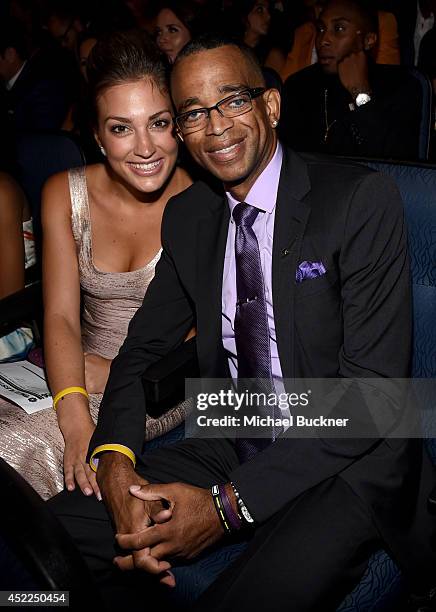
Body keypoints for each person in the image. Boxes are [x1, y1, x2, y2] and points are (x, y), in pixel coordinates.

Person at [48, 33, 436, 611]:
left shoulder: (358, 200)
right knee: (51, 530)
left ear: (270, 105)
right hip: (238, 421)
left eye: (232, 100)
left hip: (348, 449)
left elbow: (373, 400)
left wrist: (228, 507)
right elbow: (140, 350)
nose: (217, 127)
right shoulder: (192, 217)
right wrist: (113, 460)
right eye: (195, 113)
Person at [0, 29, 192, 501]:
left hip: (156, 385)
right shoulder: (63, 194)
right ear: (98, 135)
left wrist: (117, 372)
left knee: (11, 449)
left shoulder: (204, 203)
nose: (145, 147)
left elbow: (210, 334)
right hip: (71, 369)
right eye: (121, 127)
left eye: (160, 122)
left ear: (180, 125)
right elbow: (61, 316)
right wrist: (74, 411)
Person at [279, 0, 422, 159]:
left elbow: (394, 161)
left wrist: (360, 92)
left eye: (339, 29)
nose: (323, 40)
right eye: (321, 29)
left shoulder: (400, 86)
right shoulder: (299, 85)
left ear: (369, 40)